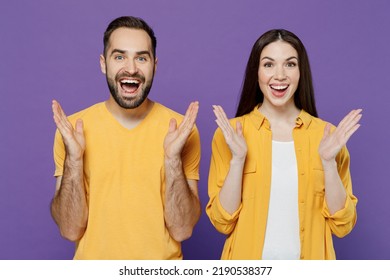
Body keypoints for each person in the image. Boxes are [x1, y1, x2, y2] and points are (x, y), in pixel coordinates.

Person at [51, 16, 201, 260]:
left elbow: (182, 229)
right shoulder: (71, 131)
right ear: (103, 63)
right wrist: (74, 160)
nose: (131, 68)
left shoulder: (182, 130)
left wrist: (172, 159)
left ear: (155, 65)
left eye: (141, 58)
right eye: (119, 56)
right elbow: (69, 230)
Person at [206, 29, 361, 260]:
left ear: (301, 72)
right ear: (256, 73)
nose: (279, 75)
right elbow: (222, 221)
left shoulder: (328, 135)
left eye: (290, 64)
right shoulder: (230, 134)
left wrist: (328, 163)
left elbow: (343, 224)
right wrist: (238, 160)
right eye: (269, 65)